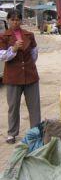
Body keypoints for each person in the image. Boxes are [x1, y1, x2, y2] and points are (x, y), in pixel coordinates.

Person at [0, 9, 41, 144]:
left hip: (30, 76)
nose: (15, 22)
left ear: (21, 21)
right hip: (12, 77)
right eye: (12, 19)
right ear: (8, 21)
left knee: (34, 106)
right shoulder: (3, 37)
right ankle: (12, 133)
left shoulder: (29, 35)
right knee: (13, 106)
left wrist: (28, 66)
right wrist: (14, 49)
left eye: (17, 19)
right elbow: (2, 56)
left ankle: (36, 132)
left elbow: (34, 54)